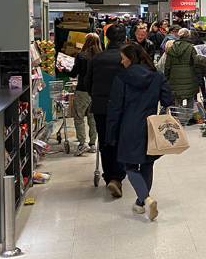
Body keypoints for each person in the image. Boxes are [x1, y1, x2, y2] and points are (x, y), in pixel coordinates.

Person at [107, 42, 173, 221]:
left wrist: (111, 133)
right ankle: (140, 203)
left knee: (130, 166)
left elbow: (115, 109)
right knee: (147, 164)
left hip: (128, 127)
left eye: (123, 58)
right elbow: (168, 99)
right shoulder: (157, 75)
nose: (122, 62)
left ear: (131, 58)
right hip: (150, 126)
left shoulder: (121, 79)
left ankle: (146, 199)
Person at [85, 24, 129, 198]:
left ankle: (109, 175)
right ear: (125, 38)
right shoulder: (128, 58)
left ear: (107, 39)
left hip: (101, 107)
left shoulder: (97, 58)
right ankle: (117, 177)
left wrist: (97, 97)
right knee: (121, 140)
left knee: (105, 141)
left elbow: (88, 83)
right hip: (123, 106)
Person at [67, 33, 101, 156]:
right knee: (93, 118)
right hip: (96, 91)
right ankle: (93, 143)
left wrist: (63, 69)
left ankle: (82, 143)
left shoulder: (81, 56)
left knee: (79, 116)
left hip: (82, 90)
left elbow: (73, 73)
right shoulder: (101, 56)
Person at [163, 28, 202, 125]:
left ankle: (179, 119)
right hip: (189, 76)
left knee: (178, 99)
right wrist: (205, 71)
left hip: (175, 77)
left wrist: (166, 77)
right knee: (190, 98)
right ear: (188, 36)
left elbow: (167, 65)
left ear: (178, 36)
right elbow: (197, 62)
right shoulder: (191, 47)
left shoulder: (172, 48)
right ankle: (188, 118)